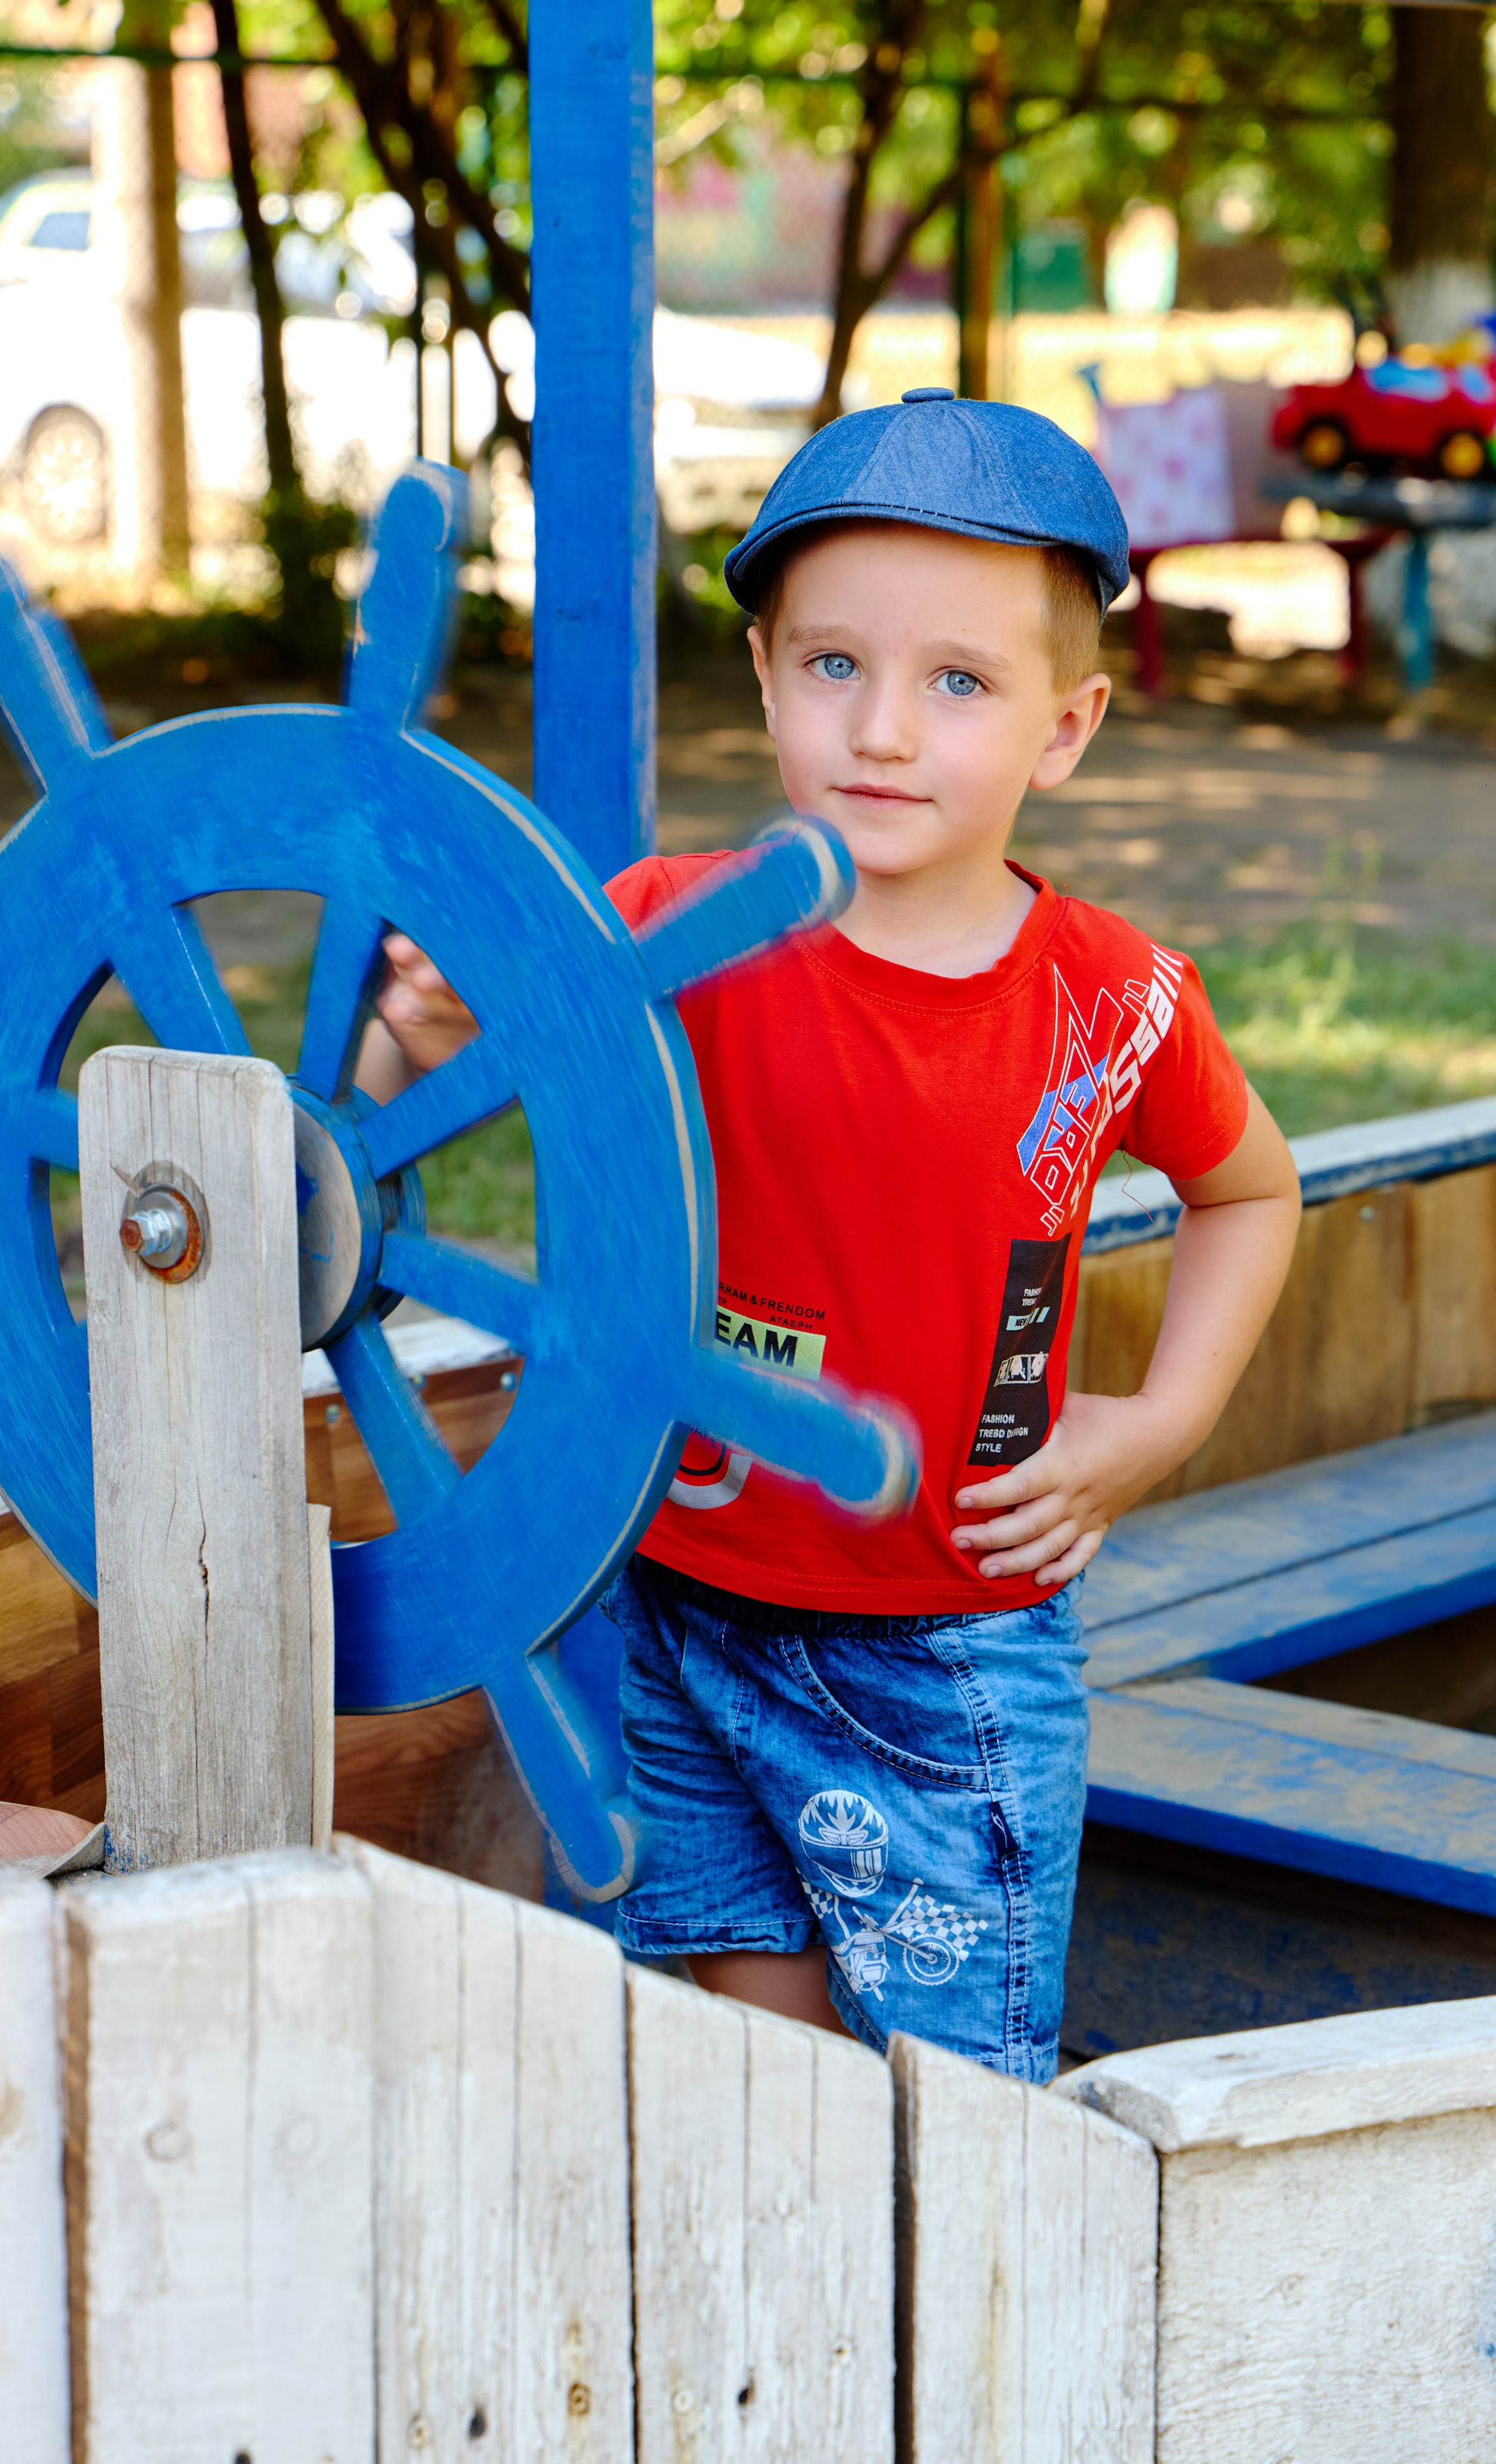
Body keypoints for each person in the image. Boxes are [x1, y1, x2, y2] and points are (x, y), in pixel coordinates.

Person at [362, 391, 1302, 2080]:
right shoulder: (669, 933)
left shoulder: (1112, 1003)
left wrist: (1158, 1424)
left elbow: (1253, 1189)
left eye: (959, 682)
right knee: (767, 2080)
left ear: (1065, 728)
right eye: (832, 667)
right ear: (770, 676)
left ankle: (960, 2349)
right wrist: (420, 1025)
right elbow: (427, 1085)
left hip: (945, 1639)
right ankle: (804, 2344)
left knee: (966, 2104)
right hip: (682, 1601)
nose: (882, 728)